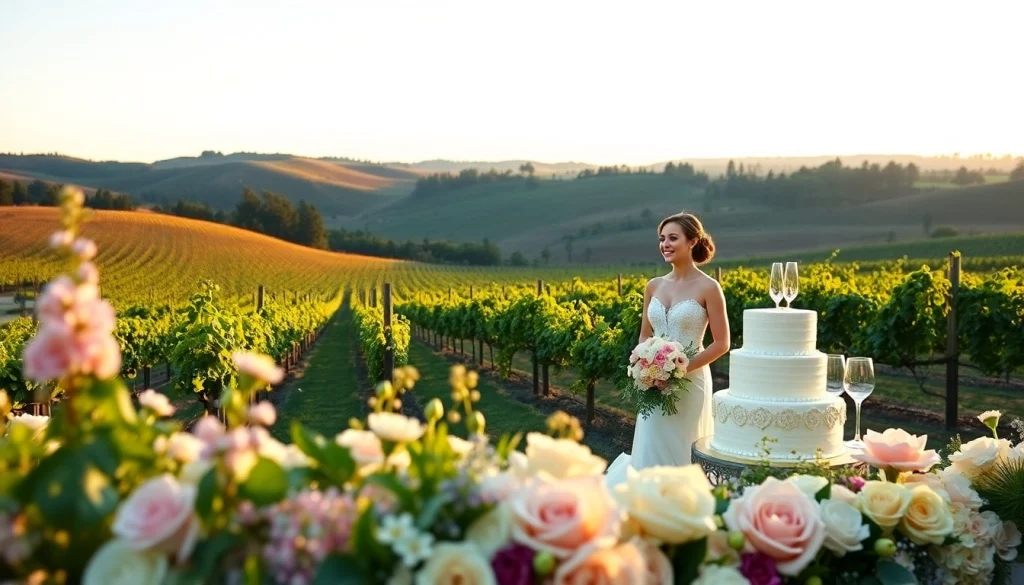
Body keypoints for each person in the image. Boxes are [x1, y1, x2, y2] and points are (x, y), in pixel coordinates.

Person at [605, 211, 730, 484]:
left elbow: (722, 343)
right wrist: (648, 365)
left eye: (673, 238)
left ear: (692, 241)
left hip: (691, 382)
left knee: (684, 446)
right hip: (653, 382)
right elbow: (644, 336)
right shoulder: (654, 286)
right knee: (651, 443)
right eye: (662, 239)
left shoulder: (709, 287)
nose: (665, 244)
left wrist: (677, 371)